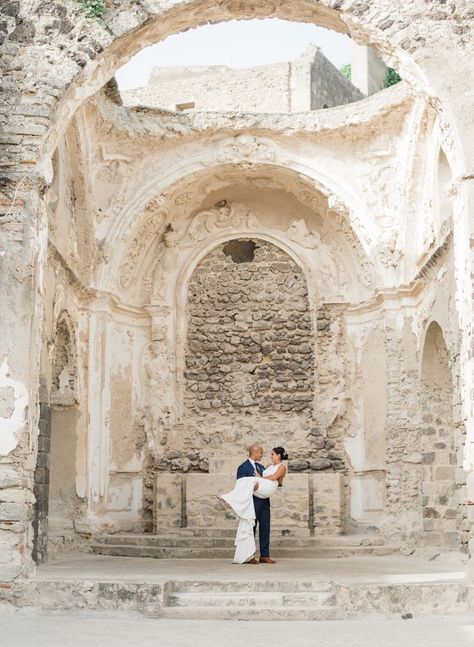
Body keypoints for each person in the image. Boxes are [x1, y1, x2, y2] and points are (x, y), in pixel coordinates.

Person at [218, 444, 288, 565]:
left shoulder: (262, 467)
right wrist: (252, 486)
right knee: (251, 527)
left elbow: (271, 481)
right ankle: (249, 555)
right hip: (252, 502)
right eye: (261, 453)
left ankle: (264, 555)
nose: (262, 455)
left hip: (264, 501)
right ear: (255, 453)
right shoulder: (243, 467)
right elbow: (241, 485)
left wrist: (276, 482)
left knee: (265, 528)